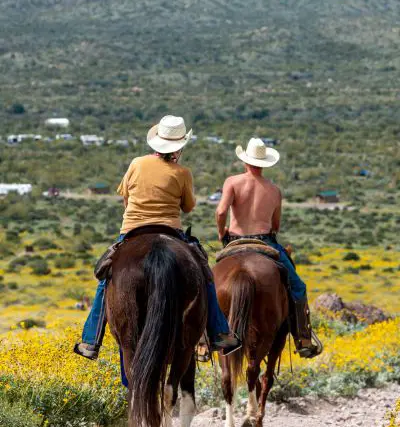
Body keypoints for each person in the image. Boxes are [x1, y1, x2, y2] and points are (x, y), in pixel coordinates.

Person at [74, 115, 240, 361]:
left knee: (107, 278)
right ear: (179, 146)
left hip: (132, 230)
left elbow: (126, 199)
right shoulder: (182, 172)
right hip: (170, 231)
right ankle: (218, 332)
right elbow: (188, 207)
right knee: (204, 273)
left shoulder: (136, 163)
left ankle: (90, 340)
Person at [215, 137, 322, 359]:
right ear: (264, 163)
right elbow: (276, 225)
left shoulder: (232, 182)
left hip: (235, 240)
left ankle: (204, 342)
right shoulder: (274, 190)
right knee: (298, 287)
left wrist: (221, 232)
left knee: (209, 283)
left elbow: (220, 212)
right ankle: (303, 338)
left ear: (245, 161)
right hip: (266, 241)